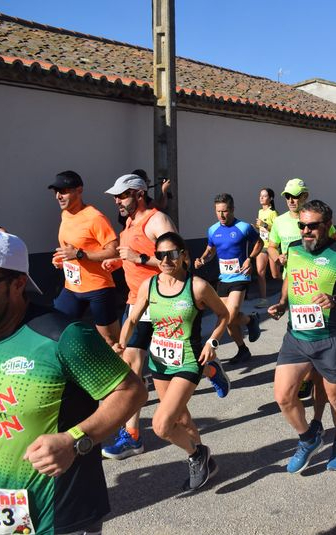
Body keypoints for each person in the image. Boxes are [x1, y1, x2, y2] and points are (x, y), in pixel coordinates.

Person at [0, 229, 147, 534]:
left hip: (59, 517)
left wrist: (75, 440)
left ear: (18, 284)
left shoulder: (63, 337)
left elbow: (131, 391)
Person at [100, 174, 229, 459]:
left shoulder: (158, 221)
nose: (117, 201)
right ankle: (207, 370)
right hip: (137, 300)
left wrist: (139, 259)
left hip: (161, 303)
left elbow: (174, 259)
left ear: (139, 193)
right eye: (116, 196)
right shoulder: (130, 222)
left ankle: (133, 435)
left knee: (132, 368)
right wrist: (119, 262)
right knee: (135, 367)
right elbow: (137, 257)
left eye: (122, 195)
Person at [116, 232, 230, 492]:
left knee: (161, 424)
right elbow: (132, 320)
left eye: (172, 254)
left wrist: (213, 342)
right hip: (159, 362)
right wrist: (121, 344)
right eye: (160, 255)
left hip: (188, 360)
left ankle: (196, 455)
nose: (166, 260)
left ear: (184, 256)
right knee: (181, 419)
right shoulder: (149, 285)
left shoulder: (197, 286)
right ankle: (205, 464)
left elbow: (224, 315)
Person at [268, 200, 336, 473]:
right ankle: (308, 437)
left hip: (330, 337)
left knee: (335, 398)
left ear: (327, 225)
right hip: (297, 336)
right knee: (283, 396)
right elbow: (290, 280)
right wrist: (281, 304)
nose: (306, 231)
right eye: (302, 225)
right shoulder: (293, 250)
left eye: (312, 226)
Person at [267, 178, 336, 402]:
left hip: (318, 280)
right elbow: (271, 245)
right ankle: (307, 371)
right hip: (293, 281)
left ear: (305, 196)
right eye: (287, 196)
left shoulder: (316, 219)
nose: (291, 200)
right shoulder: (279, 222)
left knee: (314, 330)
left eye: (295, 196)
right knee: (298, 326)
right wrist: (276, 257)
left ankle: (311, 376)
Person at [48, 170, 121, 348]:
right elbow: (71, 248)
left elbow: (114, 251)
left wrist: (80, 255)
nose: (58, 196)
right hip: (72, 287)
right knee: (56, 331)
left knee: (111, 342)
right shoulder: (65, 214)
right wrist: (62, 259)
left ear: (79, 190)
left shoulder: (95, 218)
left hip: (98, 288)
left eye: (64, 191)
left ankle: (127, 374)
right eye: (56, 191)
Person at [195, 193, 262, 364]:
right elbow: (210, 249)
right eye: (218, 211)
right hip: (223, 278)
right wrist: (202, 259)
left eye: (225, 211)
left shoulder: (243, 227)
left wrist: (250, 258)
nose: (221, 215)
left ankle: (249, 320)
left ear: (232, 209)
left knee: (229, 316)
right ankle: (243, 348)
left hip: (241, 276)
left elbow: (259, 242)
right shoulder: (213, 230)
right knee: (225, 316)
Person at [255, 187, 280, 308]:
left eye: (264, 196)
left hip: (272, 246)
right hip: (262, 246)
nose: (261, 198)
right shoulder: (260, 211)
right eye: (260, 195)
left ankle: (288, 291)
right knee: (260, 272)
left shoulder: (273, 213)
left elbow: (277, 229)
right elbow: (262, 229)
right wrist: (255, 227)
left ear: (270, 198)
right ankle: (263, 299)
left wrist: (263, 224)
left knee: (275, 275)